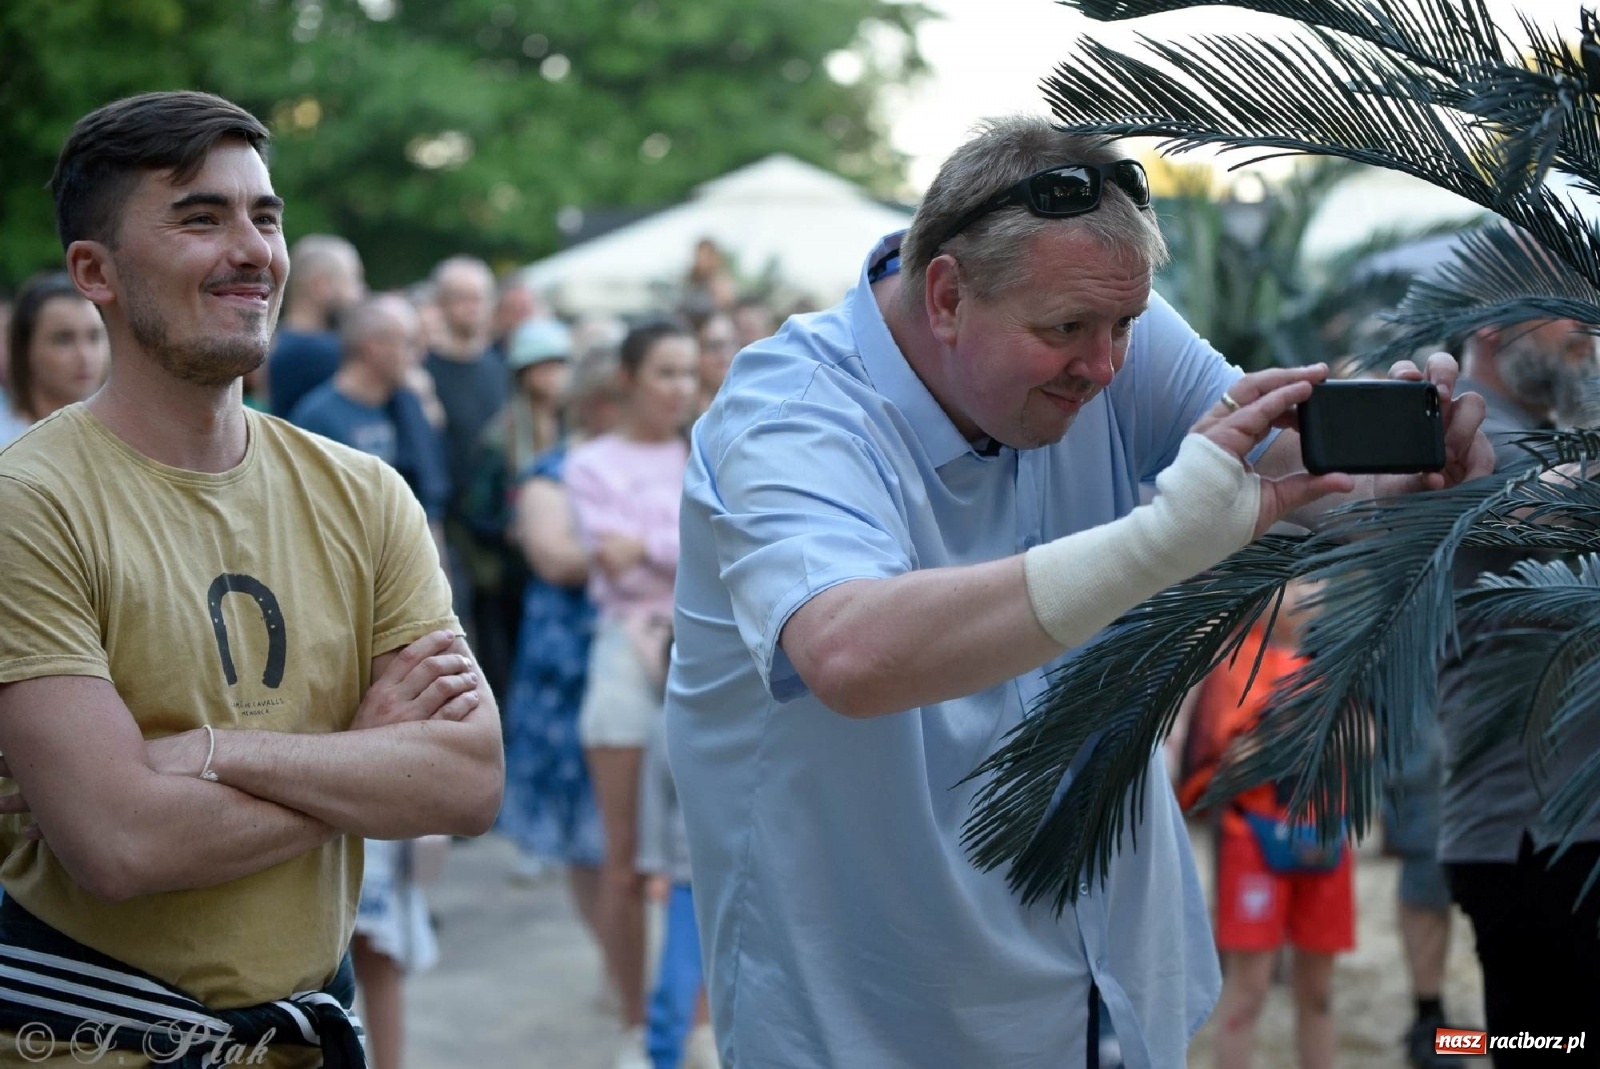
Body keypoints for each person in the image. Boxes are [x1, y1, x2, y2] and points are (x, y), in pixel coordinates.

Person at [664, 116, 1492, 1069]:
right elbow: (848, 652)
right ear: (945, 296)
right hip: (879, 1013)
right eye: (1065, 331)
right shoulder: (791, 412)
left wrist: (1410, 481)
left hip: (1116, 989)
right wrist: (1157, 541)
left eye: (1125, 328)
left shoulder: (1097, 318)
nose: (1104, 366)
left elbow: (1283, 468)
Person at [0, 90, 503, 1067]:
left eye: (264, 217)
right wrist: (363, 758)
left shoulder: (365, 495)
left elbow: (468, 777)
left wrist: (211, 753)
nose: (254, 251)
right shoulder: (29, 503)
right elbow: (122, 843)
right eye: (200, 218)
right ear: (93, 271)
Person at [1437, 314, 1600, 1062]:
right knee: (1549, 1045)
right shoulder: (1459, 435)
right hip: (1531, 839)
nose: (1589, 331)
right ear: (1499, 323)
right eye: (1569, 313)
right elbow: (1534, 507)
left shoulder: (1547, 435)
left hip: (1561, 832)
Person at [566, 320, 699, 1069]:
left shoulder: (704, 451)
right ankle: (633, 1019)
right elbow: (607, 567)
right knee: (625, 855)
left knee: (703, 849)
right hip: (626, 652)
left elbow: (719, 544)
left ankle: (694, 1018)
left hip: (700, 652)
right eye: (665, 372)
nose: (680, 387)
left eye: (689, 372)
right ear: (629, 377)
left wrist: (645, 546)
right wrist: (669, 549)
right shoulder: (591, 461)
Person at [1180, 581, 1354, 1069]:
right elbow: (1216, 766)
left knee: (1318, 992)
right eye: (1300, 581)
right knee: (1248, 989)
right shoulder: (1238, 663)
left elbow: (1360, 750)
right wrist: (1285, 733)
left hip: (1324, 840)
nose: (1313, 590)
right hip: (1252, 837)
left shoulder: (1335, 661)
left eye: (1321, 578)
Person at [498, 343, 623, 891]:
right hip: (568, 656)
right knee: (584, 831)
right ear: (594, 403)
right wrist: (628, 552)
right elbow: (554, 560)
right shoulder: (550, 473)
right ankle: (619, 970)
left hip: (639, 651)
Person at [289, 293, 451, 532]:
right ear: (374, 348)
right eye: (410, 343)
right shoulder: (316, 417)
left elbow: (430, 501)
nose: (419, 355)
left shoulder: (406, 404)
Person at [0, 271, 109, 446]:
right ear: (25, 347)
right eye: (63, 339)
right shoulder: (7, 443)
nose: (84, 355)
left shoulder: (124, 438)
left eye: (94, 336)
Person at [265, 233, 366, 418]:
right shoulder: (324, 353)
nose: (360, 293)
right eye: (354, 279)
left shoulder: (275, 342)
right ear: (321, 285)